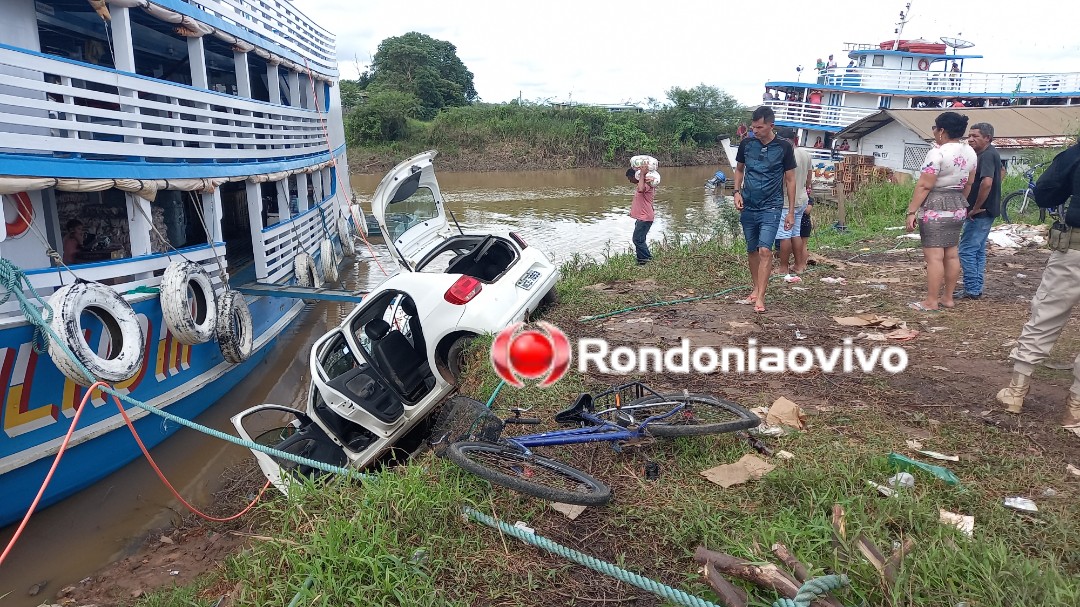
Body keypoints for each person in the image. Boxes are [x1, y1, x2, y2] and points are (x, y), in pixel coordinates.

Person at [995, 143, 1080, 422]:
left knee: (1045, 316)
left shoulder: (1075, 154)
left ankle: (1016, 393)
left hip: (1075, 250)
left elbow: (1044, 194)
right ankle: (1076, 407)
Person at [904, 111, 978, 311]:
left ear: (942, 130)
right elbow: (969, 183)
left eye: (935, 128)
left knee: (934, 257)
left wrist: (912, 211)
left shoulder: (937, 152)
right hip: (958, 205)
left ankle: (931, 301)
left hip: (936, 206)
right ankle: (948, 298)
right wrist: (959, 201)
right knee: (951, 254)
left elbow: (924, 186)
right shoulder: (970, 151)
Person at [733, 106, 797, 313]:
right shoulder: (747, 144)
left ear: (771, 125)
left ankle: (761, 296)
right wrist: (736, 192)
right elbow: (739, 170)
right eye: (753, 127)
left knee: (765, 250)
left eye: (759, 127)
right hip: (748, 204)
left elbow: (790, 179)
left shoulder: (784, 148)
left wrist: (790, 211)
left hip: (771, 206)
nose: (755, 131)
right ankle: (755, 287)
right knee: (752, 250)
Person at [955, 122, 1002, 300]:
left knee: (966, 250)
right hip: (986, 209)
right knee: (978, 250)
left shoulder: (988, 155)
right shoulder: (983, 154)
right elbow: (1002, 172)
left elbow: (987, 182)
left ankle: (972, 289)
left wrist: (975, 207)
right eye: (970, 135)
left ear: (987, 138)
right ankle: (976, 287)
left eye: (976, 136)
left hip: (981, 211)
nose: (971, 139)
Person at [774, 127, 813, 275]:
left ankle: (783, 267)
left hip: (787, 200)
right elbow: (809, 180)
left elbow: (783, 179)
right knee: (796, 233)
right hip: (802, 198)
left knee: (784, 235)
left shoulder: (785, 154)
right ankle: (799, 265)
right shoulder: (806, 154)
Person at [626, 166, 656, 265]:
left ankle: (647, 260)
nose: (630, 181)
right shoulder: (644, 182)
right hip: (642, 217)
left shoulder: (646, 183)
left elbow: (641, 189)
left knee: (637, 239)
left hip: (645, 217)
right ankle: (641, 261)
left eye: (630, 178)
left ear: (635, 176)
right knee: (640, 239)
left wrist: (642, 174)